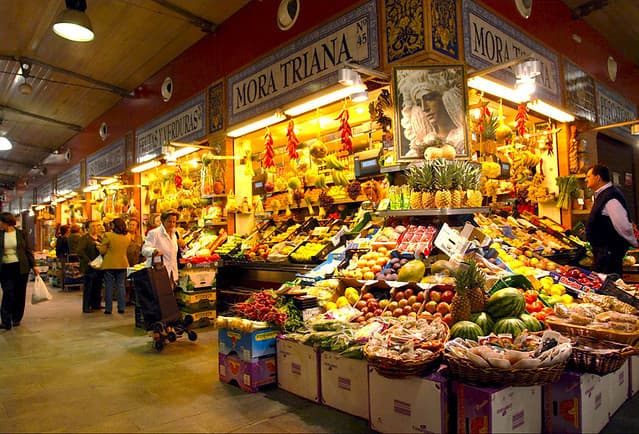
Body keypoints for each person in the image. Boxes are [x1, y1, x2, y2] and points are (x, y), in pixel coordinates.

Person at [397, 67, 465, 158]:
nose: (424, 108)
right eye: (419, 103)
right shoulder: (427, 141)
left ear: (445, 98)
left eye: (429, 98)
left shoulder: (462, 137)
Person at [585, 164, 638, 275]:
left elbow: (622, 224)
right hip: (603, 254)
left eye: (588, 176)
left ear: (598, 178)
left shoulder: (610, 196)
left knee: (610, 285)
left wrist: (634, 242)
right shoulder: (603, 195)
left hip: (609, 255)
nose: (586, 179)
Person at [0, 212, 39, 330]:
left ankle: (16, 318)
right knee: (8, 292)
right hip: (5, 267)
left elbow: (28, 250)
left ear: (6, 222)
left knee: (19, 293)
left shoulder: (21, 234)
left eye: (1, 221)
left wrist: (34, 265)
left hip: (21, 267)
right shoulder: (0, 234)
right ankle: (6, 321)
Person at [141, 209, 185, 284]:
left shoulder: (175, 234)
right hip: (158, 273)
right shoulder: (154, 233)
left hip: (172, 274)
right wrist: (154, 251)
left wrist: (182, 246)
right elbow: (144, 250)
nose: (172, 224)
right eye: (169, 221)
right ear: (163, 221)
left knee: (170, 294)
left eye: (174, 222)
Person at [98, 218, 130, 314]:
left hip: (109, 264)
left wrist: (100, 247)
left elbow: (102, 251)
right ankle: (121, 308)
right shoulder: (127, 236)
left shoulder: (108, 235)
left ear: (114, 226)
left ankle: (108, 309)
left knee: (109, 286)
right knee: (121, 286)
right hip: (123, 263)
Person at [77, 221, 104, 313]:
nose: (95, 228)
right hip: (89, 266)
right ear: (88, 228)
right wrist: (87, 260)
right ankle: (86, 306)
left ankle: (96, 304)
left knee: (98, 285)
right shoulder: (85, 239)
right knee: (89, 286)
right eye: (93, 226)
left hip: (99, 265)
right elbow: (80, 251)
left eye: (97, 226)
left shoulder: (100, 238)